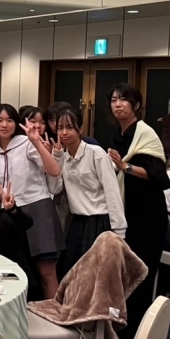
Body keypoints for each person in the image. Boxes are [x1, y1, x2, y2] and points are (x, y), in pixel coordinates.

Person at [107, 83, 170, 339]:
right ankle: (123, 323)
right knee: (124, 271)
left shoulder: (145, 133)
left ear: (136, 106)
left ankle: (138, 332)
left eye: (123, 100)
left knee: (141, 272)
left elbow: (158, 175)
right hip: (127, 211)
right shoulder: (118, 135)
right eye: (114, 99)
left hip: (148, 214)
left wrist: (125, 167)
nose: (118, 104)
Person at [0, 103, 65, 299]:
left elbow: (54, 170)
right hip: (11, 214)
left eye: (9, 120)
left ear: (16, 123)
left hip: (37, 209)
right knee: (19, 273)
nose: (4, 125)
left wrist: (36, 142)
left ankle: (54, 314)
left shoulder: (26, 143)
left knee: (46, 273)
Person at [51, 108, 127, 280]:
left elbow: (112, 191)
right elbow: (54, 189)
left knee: (95, 277)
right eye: (60, 128)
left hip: (99, 221)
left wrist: (119, 231)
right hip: (76, 222)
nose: (64, 132)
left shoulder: (96, 153)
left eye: (70, 127)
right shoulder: (62, 156)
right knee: (72, 275)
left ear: (80, 129)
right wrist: (56, 157)